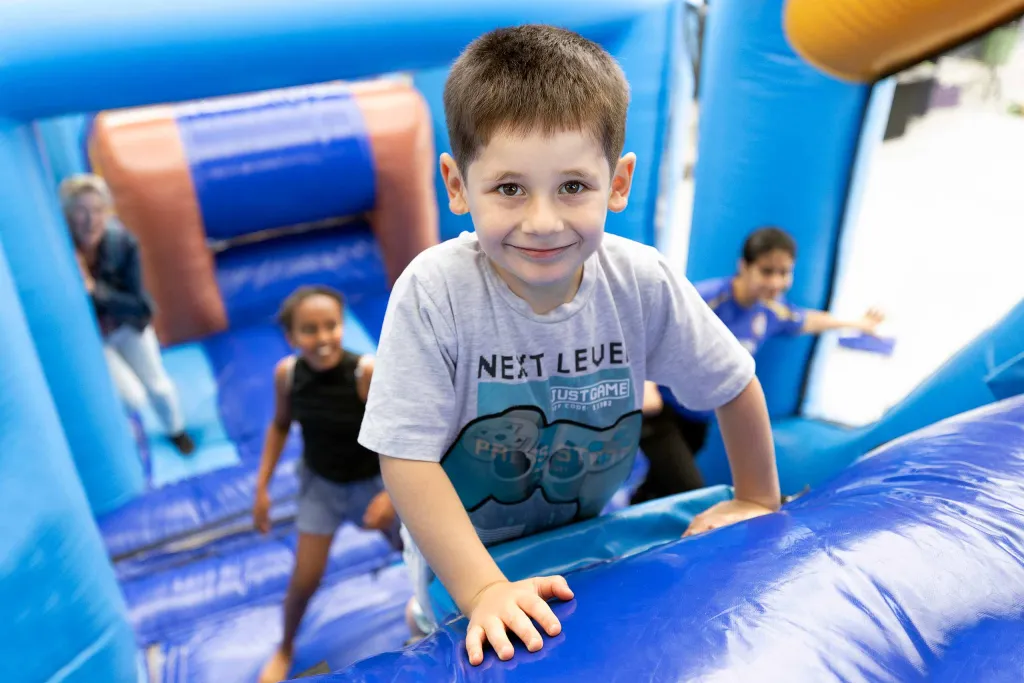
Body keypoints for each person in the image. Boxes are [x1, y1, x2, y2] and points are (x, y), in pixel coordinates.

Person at [357, 25, 781, 666]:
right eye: (509, 188)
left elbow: (734, 383)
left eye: (573, 187)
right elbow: (406, 458)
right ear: (456, 185)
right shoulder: (435, 292)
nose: (544, 222)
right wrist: (484, 589)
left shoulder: (640, 281)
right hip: (463, 562)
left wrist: (755, 496)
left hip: (584, 533)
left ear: (618, 182)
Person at [633, 226, 885, 504]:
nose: (776, 282)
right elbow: (649, 330)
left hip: (699, 417)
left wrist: (857, 323)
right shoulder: (707, 298)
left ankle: (629, 523)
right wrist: (646, 385)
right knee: (689, 489)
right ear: (744, 266)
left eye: (784, 273)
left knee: (658, 485)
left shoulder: (770, 310)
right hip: (662, 413)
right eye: (767, 271)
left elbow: (808, 320)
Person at [255, 285, 398, 683]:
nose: (322, 339)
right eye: (310, 330)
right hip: (321, 486)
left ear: (342, 326)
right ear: (292, 337)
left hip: (373, 482)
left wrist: (392, 494)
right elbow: (281, 424)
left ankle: (439, 612)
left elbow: (402, 434)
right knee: (304, 579)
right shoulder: (286, 375)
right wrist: (262, 488)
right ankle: (285, 647)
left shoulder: (363, 373)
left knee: (422, 554)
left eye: (331, 326)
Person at [60, 174, 194, 455]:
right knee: (132, 397)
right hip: (97, 337)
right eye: (81, 212)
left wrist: (95, 290)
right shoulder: (61, 251)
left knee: (159, 387)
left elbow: (139, 306)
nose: (90, 220)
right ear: (67, 217)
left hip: (129, 324)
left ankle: (176, 430)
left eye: (97, 211)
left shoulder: (121, 244)